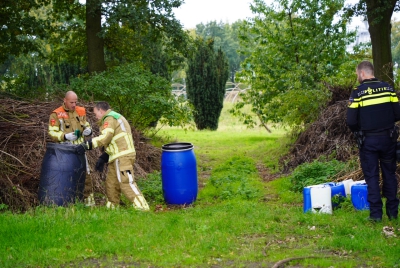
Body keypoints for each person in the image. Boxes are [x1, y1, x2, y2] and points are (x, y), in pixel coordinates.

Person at [346, 61, 400, 222]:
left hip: (368, 141)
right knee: (389, 174)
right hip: (388, 139)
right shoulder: (388, 88)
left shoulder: (358, 92)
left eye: (357, 74)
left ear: (362, 73)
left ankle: (376, 215)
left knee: (372, 177)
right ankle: (393, 212)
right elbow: (398, 114)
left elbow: (351, 120)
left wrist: (361, 130)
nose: (357, 77)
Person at [76, 101, 149, 210]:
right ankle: (112, 208)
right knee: (111, 184)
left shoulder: (109, 118)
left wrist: (87, 145)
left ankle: (142, 207)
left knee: (126, 182)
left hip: (122, 156)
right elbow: (114, 141)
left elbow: (106, 137)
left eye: (96, 113)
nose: (96, 117)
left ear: (101, 111)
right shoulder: (113, 117)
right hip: (116, 156)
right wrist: (103, 157)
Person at [48, 90, 95, 206]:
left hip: (80, 149)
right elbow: (52, 133)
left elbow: (86, 124)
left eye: (75, 102)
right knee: (65, 176)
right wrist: (64, 136)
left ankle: (89, 204)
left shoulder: (80, 111)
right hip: (64, 151)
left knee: (86, 175)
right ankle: (67, 203)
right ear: (65, 100)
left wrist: (88, 130)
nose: (74, 105)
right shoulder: (56, 114)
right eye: (71, 102)